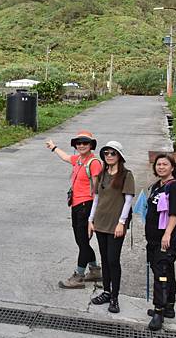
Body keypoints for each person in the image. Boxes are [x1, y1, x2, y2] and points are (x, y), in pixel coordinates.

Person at [45, 130, 103, 289]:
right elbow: (65, 157)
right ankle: (95, 270)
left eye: (85, 143)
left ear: (91, 145)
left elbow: (98, 190)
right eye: (78, 143)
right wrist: (53, 147)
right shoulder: (78, 159)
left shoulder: (94, 162)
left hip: (87, 205)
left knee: (83, 241)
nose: (81, 145)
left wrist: (94, 214)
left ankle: (79, 276)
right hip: (76, 205)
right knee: (81, 241)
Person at [87, 141, 135, 313]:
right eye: (106, 153)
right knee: (105, 260)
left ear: (119, 156)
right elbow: (96, 198)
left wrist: (122, 222)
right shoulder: (102, 174)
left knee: (113, 260)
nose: (109, 156)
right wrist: (90, 220)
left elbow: (128, 200)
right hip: (100, 222)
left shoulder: (126, 175)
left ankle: (115, 297)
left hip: (116, 225)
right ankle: (106, 291)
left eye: (112, 153)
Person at [145, 153, 176, 331]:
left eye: (165, 164)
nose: (161, 167)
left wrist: (167, 234)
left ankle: (158, 311)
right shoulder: (158, 185)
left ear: (172, 167)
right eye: (158, 164)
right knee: (166, 269)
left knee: (161, 273)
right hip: (154, 238)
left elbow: (174, 213)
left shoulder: (175, 187)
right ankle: (169, 305)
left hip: (166, 239)